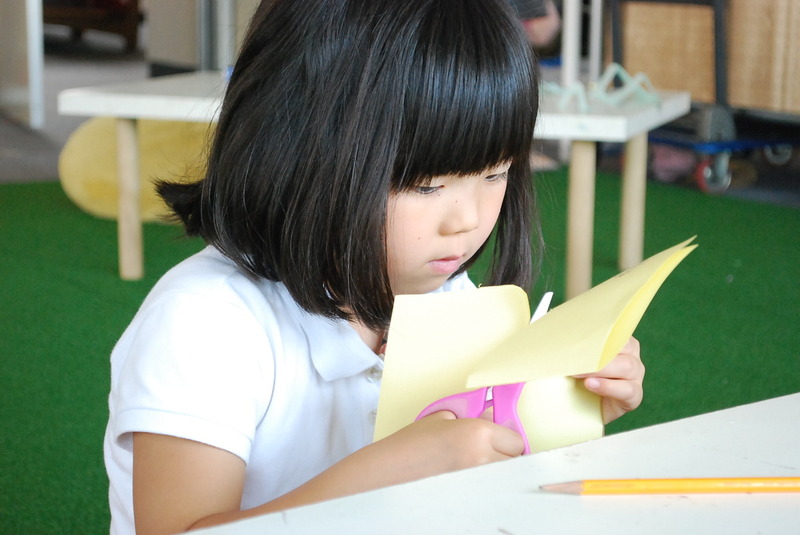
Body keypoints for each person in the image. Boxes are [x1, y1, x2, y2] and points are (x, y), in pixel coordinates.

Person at [103, 1, 645, 533]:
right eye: (425, 186)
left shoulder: (445, 292)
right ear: (294, 146)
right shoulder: (206, 322)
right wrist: (389, 473)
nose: (467, 220)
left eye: (495, 173)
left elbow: (479, 457)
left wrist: (561, 406)